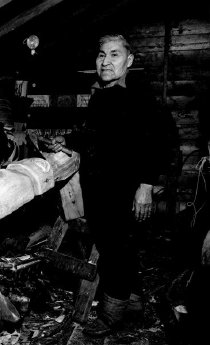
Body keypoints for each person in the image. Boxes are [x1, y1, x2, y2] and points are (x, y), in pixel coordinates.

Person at [47, 34, 175, 337]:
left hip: (125, 189)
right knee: (118, 246)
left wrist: (146, 185)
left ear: (129, 61)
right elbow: (95, 135)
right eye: (101, 54)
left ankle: (110, 315)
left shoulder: (141, 97)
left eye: (114, 55)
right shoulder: (103, 95)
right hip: (100, 188)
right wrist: (67, 141)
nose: (105, 61)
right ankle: (132, 302)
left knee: (115, 249)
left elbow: (164, 143)